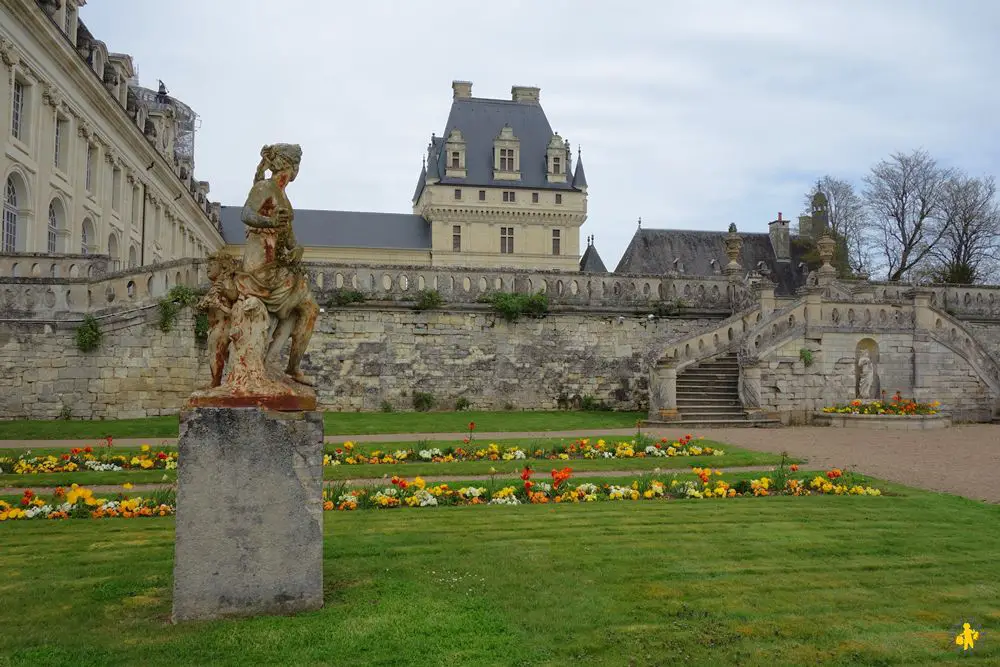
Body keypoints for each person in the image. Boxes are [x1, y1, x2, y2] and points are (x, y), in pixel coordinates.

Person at [237, 143, 319, 386]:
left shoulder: (283, 195)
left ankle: (281, 364)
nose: (297, 171)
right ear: (290, 166)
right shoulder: (265, 187)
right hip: (261, 267)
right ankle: (288, 367)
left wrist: (296, 249)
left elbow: (289, 237)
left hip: (274, 265)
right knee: (308, 307)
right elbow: (246, 214)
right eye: (297, 165)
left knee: (307, 309)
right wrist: (269, 219)